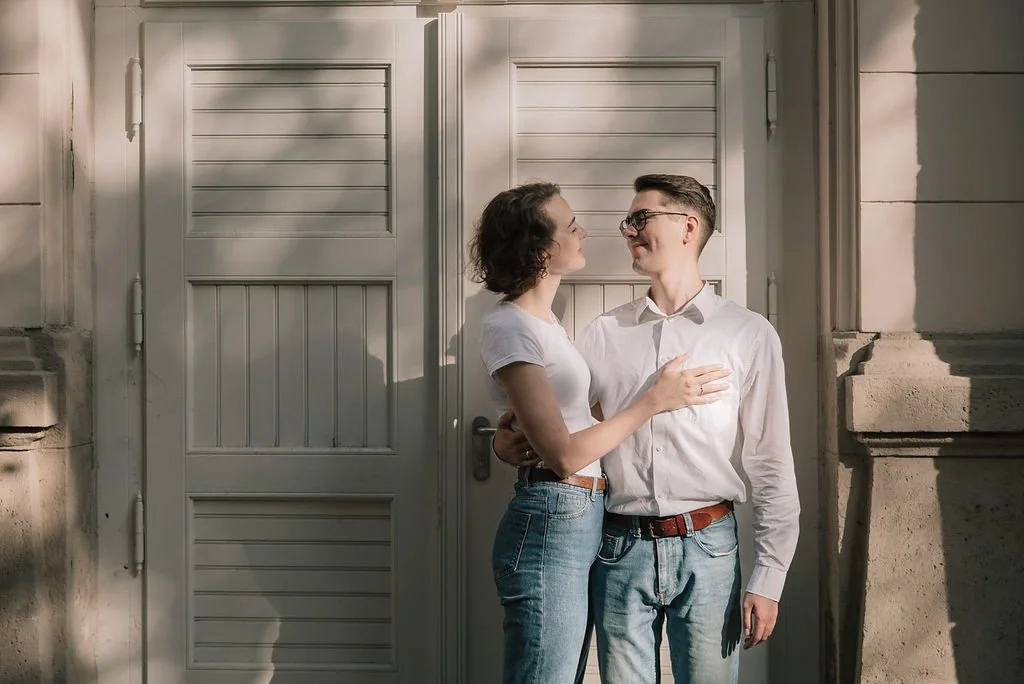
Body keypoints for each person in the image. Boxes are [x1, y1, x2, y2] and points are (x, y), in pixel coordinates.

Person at [493, 174, 800, 684]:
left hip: (709, 548)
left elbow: (772, 462)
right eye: (626, 221)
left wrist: (770, 577)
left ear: (688, 226)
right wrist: (505, 445)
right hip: (618, 548)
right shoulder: (604, 333)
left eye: (641, 218)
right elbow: (563, 433)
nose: (627, 230)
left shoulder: (747, 334)